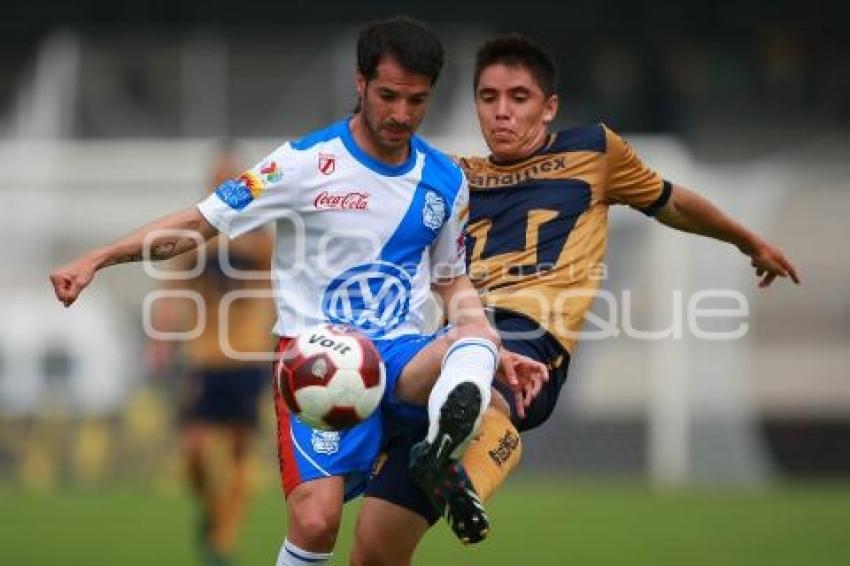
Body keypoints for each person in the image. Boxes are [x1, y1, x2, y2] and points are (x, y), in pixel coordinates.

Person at [49, 18, 545, 566]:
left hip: (401, 356)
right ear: (360, 83)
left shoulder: (444, 181)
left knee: (473, 335)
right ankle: (450, 432)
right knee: (315, 523)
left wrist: (491, 345)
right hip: (317, 363)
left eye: (416, 100)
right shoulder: (301, 164)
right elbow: (198, 224)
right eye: (387, 96)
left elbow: (450, 279)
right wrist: (99, 257)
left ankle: (446, 442)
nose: (401, 114)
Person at [351, 33, 800, 565]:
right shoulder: (451, 176)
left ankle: (462, 467)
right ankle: (450, 463)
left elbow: (671, 201)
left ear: (549, 107)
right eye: (488, 98)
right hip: (447, 341)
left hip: (528, 335)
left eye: (518, 98)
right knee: (375, 548)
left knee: (490, 384)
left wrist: (749, 241)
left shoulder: (593, 151)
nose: (501, 112)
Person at [146, 142, 274, 565]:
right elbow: (171, 291)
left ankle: (221, 540)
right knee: (193, 450)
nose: (224, 186)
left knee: (239, 447)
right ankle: (211, 514)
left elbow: (279, 281)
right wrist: (160, 341)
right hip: (202, 356)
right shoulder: (192, 236)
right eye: (217, 179)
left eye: (231, 179)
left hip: (248, 356)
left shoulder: (260, 236)